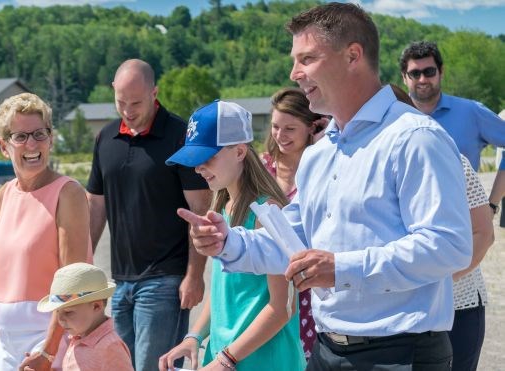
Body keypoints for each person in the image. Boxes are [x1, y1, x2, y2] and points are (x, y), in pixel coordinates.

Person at [177, 3, 472, 370]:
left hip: (399, 353)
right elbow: (292, 241)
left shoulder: (414, 137)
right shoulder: (319, 155)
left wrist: (342, 268)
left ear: (352, 56)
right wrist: (229, 242)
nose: (294, 73)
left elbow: (450, 246)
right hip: (327, 349)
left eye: (307, 58)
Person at [159, 101, 305, 371]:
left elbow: (283, 307)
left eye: (207, 157)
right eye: (194, 160)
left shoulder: (267, 212)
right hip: (227, 356)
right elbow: (222, 293)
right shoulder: (222, 208)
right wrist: (195, 336)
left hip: (265, 360)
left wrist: (226, 360)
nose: (198, 168)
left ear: (239, 151)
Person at [86, 59, 212, 371]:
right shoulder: (105, 138)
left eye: (136, 102)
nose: (128, 110)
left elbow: (200, 210)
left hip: (166, 280)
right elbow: (95, 208)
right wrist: (81, 268)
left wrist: (194, 276)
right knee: (121, 366)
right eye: (120, 102)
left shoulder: (180, 136)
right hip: (120, 281)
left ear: (154, 92)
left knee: (154, 368)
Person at [0, 93, 92, 371]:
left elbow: (72, 283)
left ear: (50, 138)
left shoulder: (67, 194)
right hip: (6, 342)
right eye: (20, 136)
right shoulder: (5, 195)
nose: (32, 144)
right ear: (3, 146)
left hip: (48, 337)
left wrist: (48, 352)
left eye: (39, 134)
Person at [390, 82, 495, 371]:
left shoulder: (452, 160)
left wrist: (439, 285)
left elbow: (483, 234)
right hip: (408, 313)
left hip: (459, 306)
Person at [399, 40, 505, 217]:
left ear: (441, 72)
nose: (422, 79)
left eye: (429, 71)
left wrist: (492, 204)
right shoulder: (390, 118)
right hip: (403, 227)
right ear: (404, 77)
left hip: (463, 225)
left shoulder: (471, 112)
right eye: (415, 73)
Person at [261, 87, 325, 360]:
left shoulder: (325, 167)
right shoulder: (262, 168)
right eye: (276, 127)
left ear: (312, 127)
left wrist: (325, 139)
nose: (280, 135)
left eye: (289, 128)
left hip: (311, 287)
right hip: (267, 286)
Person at [31, 262, 133, 371]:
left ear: (96, 306)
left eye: (68, 312)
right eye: (57, 312)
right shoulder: (78, 338)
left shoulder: (110, 347)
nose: (60, 319)